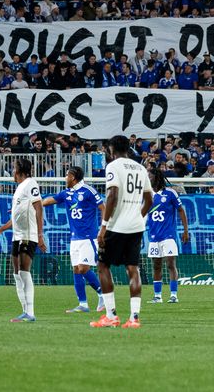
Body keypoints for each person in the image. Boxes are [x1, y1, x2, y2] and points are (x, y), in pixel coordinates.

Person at [91, 136, 153, 329]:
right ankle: (134, 318)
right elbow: (149, 199)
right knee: (132, 268)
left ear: (111, 149)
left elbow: (112, 196)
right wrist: (138, 216)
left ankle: (111, 315)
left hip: (116, 226)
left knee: (103, 265)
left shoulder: (113, 166)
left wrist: (103, 226)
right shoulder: (140, 168)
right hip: (136, 226)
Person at [42, 166, 105, 312]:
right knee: (76, 269)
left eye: (67, 175)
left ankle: (103, 294)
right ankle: (83, 304)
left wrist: (103, 229)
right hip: (74, 238)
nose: (65, 178)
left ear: (73, 177)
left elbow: (104, 208)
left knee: (83, 268)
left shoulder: (89, 191)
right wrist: (30, 205)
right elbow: (48, 200)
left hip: (88, 237)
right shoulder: (66, 193)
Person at [0, 158, 45, 322]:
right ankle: (24, 311)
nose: (13, 172)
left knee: (23, 271)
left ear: (20, 170)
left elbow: (39, 207)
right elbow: (16, 216)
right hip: (17, 235)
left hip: (28, 235)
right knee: (16, 273)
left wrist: (40, 235)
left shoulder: (30, 183)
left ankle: (30, 312)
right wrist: (0, 229)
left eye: (14, 168)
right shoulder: (19, 188)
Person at [146, 167, 190, 304]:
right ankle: (157, 296)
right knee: (156, 266)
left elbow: (181, 210)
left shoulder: (170, 193)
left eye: (149, 176)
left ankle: (173, 295)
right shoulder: (146, 194)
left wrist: (186, 230)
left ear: (156, 177)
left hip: (168, 235)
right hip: (153, 236)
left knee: (170, 264)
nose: (147, 179)